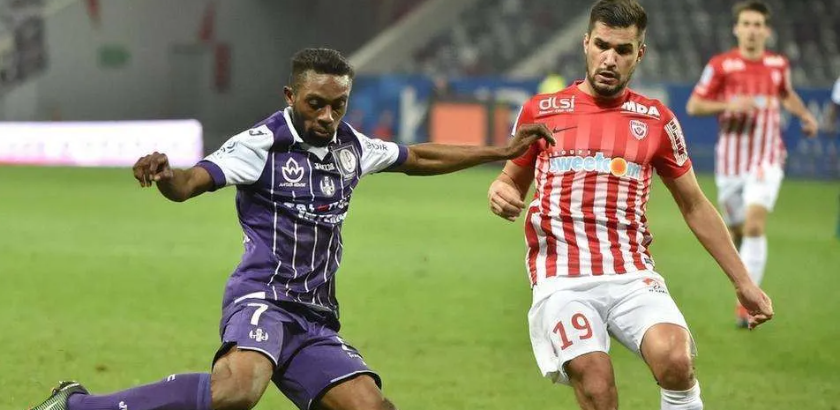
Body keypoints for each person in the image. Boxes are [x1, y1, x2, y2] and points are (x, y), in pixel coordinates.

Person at [28, 48, 553, 410]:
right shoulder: (261, 145)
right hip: (262, 297)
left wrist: (500, 150)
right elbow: (190, 183)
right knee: (238, 390)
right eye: (315, 104)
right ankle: (77, 406)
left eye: (337, 105)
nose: (327, 116)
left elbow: (417, 156)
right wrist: (166, 175)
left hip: (314, 315)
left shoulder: (352, 146)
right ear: (290, 96)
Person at [487, 1, 773, 409]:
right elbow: (509, 180)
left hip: (631, 273)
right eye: (601, 45)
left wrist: (743, 281)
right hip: (561, 277)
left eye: (622, 50)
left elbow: (694, 204)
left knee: (676, 359)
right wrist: (500, 192)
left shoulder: (657, 120)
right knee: (596, 384)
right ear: (586, 43)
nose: (609, 59)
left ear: (640, 53)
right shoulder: (541, 110)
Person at [685, 1, 817, 327]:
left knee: (755, 225)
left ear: (767, 31)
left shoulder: (778, 64)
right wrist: (729, 104)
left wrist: (804, 115)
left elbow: (785, 93)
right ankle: (746, 273)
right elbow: (694, 105)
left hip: (767, 156)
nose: (752, 30)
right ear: (736, 28)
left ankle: (746, 306)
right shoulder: (721, 66)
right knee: (737, 230)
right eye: (746, 24)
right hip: (731, 162)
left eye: (758, 24)